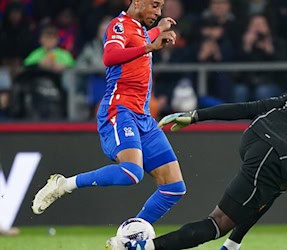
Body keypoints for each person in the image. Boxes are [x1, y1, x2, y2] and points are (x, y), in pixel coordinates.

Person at [107, 73, 287, 250]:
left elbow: (250, 108)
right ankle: (143, 247)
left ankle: (234, 243)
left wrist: (197, 115)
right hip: (272, 157)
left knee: (281, 182)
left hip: (254, 138)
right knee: (216, 223)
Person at [32, 0, 187, 227]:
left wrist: (157, 30)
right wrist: (150, 46)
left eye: (161, 7)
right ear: (138, 2)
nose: (158, 12)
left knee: (174, 188)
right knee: (132, 173)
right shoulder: (119, 25)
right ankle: (64, 184)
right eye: (154, 5)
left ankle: (128, 235)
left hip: (143, 116)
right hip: (119, 110)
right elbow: (110, 56)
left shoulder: (139, 30)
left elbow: (141, 38)